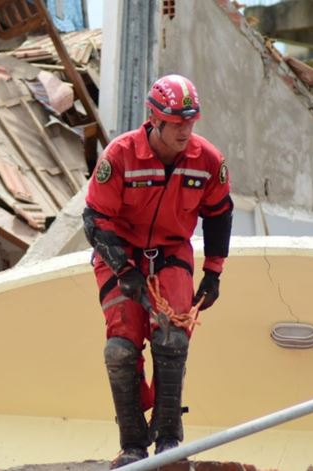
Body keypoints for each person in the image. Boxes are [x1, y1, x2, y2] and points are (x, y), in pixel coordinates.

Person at [83, 74, 233, 467]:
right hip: (119, 255)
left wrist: (213, 272)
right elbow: (95, 219)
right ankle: (132, 445)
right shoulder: (119, 156)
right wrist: (124, 270)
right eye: (177, 122)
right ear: (155, 119)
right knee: (121, 348)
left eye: (191, 122)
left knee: (172, 340)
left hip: (170, 253)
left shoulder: (208, 161)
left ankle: (169, 440)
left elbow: (219, 214)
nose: (186, 130)